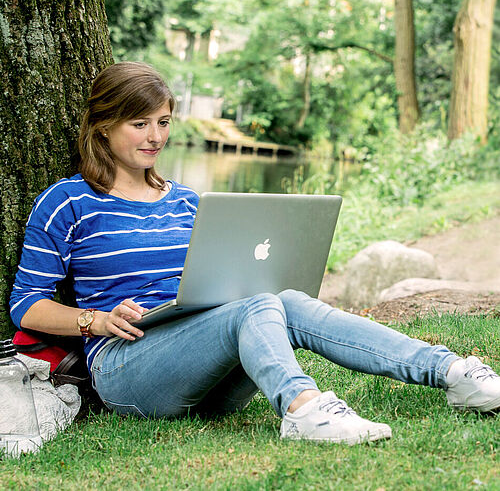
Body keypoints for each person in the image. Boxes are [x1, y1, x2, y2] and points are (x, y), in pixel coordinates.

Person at [10, 62, 500, 446]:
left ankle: (454, 373)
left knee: (283, 299)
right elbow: (25, 303)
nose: (155, 137)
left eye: (162, 122)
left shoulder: (187, 201)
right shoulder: (67, 202)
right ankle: (303, 408)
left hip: (207, 372)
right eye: (139, 124)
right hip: (125, 368)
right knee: (263, 303)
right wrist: (92, 321)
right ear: (102, 127)